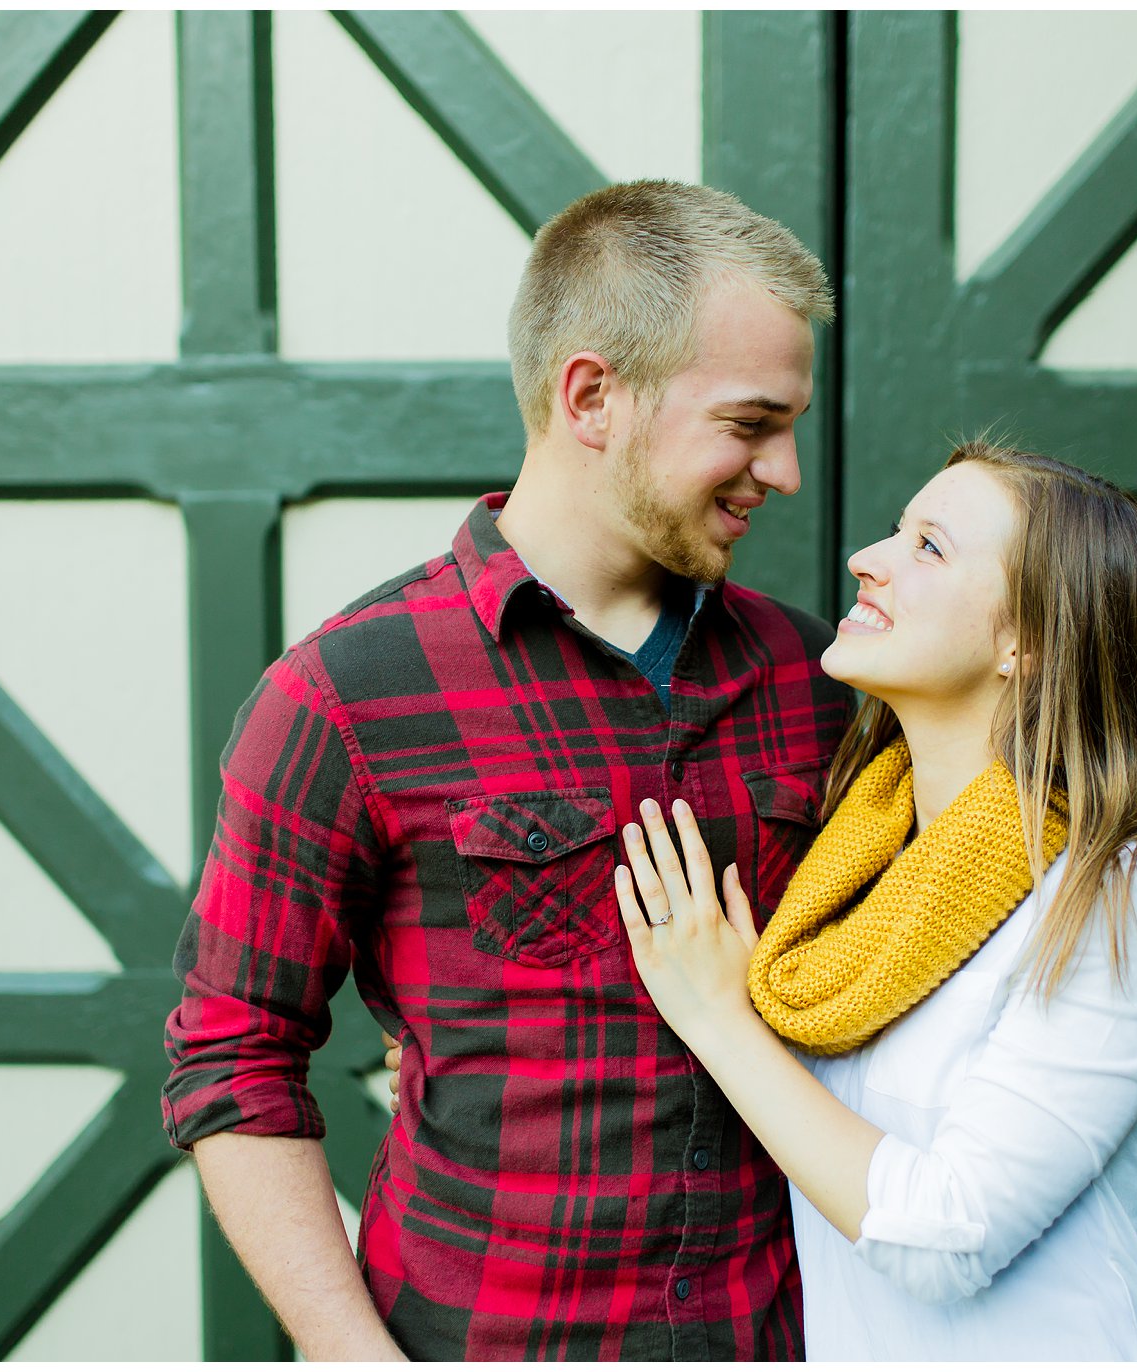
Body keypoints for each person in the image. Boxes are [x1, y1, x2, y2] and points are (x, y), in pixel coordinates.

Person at [159, 180, 853, 1360]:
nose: (781, 470)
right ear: (592, 395)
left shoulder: (814, 677)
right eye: (747, 424)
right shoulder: (346, 694)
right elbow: (232, 1054)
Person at [607, 442, 1137, 1360]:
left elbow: (950, 1234)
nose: (867, 558)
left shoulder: (1119, 889)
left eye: (929, 547)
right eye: (897, 532)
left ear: (1033, 639)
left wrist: (721, 1021)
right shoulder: (859, 863)